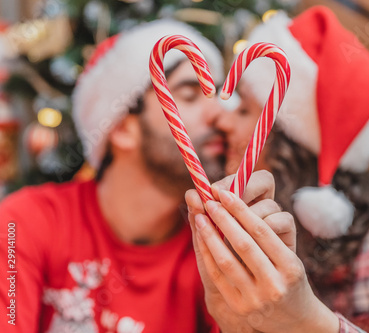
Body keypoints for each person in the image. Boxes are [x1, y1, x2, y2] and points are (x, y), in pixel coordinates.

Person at [0, 19, 292, 333]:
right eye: (191, 95)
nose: (221, 115)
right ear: (123, 128)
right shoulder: (25, 223)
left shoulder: (217, 250)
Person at [187, 6, 369, 333]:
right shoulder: (250, 236)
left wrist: (304, 318)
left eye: (245, 109)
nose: (221, 119)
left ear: (292, 144)